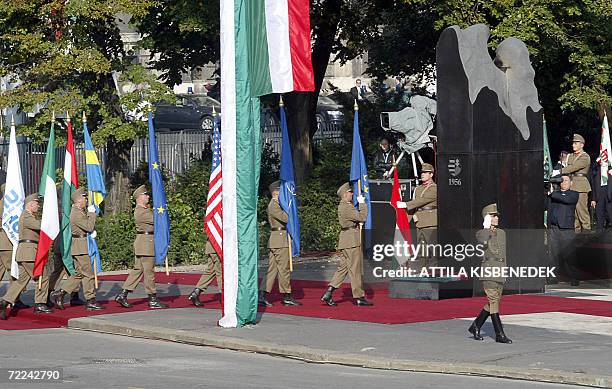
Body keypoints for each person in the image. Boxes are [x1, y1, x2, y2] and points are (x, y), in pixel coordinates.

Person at [0, 194, 53, 319]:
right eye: (36, 203)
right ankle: (40, 304)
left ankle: (5, 301)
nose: (38, 206)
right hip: (29, 252)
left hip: (25, 253)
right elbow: (41, 226)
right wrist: (51, 219)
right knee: (43, 275)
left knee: (21, 281)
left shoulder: (28, 216)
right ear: (30, 205)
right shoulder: (27, 216)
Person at [115, 185, 168, 309]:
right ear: (139, 197)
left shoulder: (144, 210)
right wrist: (162, 209)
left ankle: (123, 294)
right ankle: (152, 299)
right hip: (146, 244)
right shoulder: (141, 212)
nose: (148, 196)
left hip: (144, 243)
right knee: (149, 273)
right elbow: (158, 220)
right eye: (146, 195)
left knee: (137, 270)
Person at [320, 182, 372, 306]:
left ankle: (328, 293)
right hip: (351, 241)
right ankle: (359, 297)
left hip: (346, 240)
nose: (352, 194)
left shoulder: (344, 206)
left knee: (342, 269)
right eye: (350, 192)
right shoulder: (346, 207)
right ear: (345, 194)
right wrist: (363, 203)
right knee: (355, 269)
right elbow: (362, 217)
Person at [52, 188, 103, 310]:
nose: (86, 200)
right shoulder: (76, 213)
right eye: (85, 198)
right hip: (80, 247)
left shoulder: (79, 211)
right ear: (78, 200)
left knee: (79, 273)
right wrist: (92, 213)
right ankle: (90, 299)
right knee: (89, 274)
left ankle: (61, 293)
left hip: (81, 245)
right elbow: (89, 227)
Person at [467, 203, 512, 344]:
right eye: (493, 215)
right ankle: (499, 333)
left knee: (494, 302)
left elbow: (503, 254)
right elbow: (483, 242)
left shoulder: (502, 233)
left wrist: (504, 272)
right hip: (488, 270)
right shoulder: (481, 233)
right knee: (493, 300)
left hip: (500, 270)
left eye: (497, 215)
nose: (497, 217)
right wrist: (486, 227)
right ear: (487, 218)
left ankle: (476, 326)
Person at [258, 181, 301, 307]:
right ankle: (286, 295)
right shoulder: (274, 205)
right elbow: (286, 218)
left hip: (278, 239)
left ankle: (262, 294)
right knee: (284, 269)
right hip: (279, 240)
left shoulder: (277, 204)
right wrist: (289, 207)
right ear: (275, 192)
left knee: (273, 270)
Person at [396, 163, 438, 271]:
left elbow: (422, 201)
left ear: (431, 174)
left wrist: (406, 204)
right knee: (422, 248)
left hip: (430, 221)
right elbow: (416, 205)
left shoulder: (434, 188)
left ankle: (433, 271)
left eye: (425, 173)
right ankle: (423, 269)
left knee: (432, 247)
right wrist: (405, 220)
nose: (422, 174)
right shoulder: (418, 189)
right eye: (422, 173)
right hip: (420, 221)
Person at [0, 184, 29, 309]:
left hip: (3, 242)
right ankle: (13, 300)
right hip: (7, 242)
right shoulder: (7, 205)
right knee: (13, 271)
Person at [548, 175, 580, 285]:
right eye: (561, 181)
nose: (563, 182)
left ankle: (574, 278)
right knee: (553, 254)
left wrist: (553, 191)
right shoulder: (554, 195)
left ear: (571, 183)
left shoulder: (574, 194)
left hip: (566, 228)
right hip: (554, 227)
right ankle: (552, 277)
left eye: (566, 180)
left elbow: (565, 199)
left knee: (569, 254)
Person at [560, 134, 591, 231]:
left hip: (581, 186)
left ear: (582, 145)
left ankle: (586, 234)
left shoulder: (585, 157)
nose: (573, 145)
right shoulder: (571, 156)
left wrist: (559, 171)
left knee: (582, 212)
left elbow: (573, 167)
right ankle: (576, 236)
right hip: (571, 185)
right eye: (573, 143)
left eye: (576, 143)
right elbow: (566, 165)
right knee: (573, 214)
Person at [187, 239, 222, 307]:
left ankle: (196, 292)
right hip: (217, 246)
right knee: (221, 272)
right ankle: (224, 297)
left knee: (211, 270)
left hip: (211, 246)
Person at [591, 164, 612, 231]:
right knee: (599, 217)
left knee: (610, 213)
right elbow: (593, 184)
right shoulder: (596, 168)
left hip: (610, 194)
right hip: (599, 194)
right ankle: (599, 234)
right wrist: (593, 199)